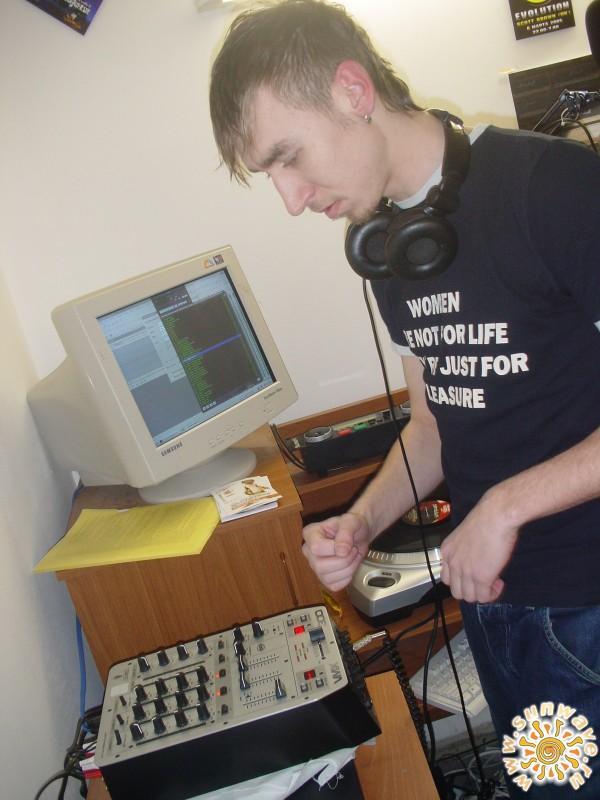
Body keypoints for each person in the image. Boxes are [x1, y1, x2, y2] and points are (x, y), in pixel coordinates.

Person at [209, 2, 600, 796]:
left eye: (289, 157)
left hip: (586, 605)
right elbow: (432, 426)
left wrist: (505, 506)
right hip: (495, 603)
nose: (291, 199)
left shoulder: (555, 187)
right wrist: (363, 521)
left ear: (353, 91)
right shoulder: (392, 251)